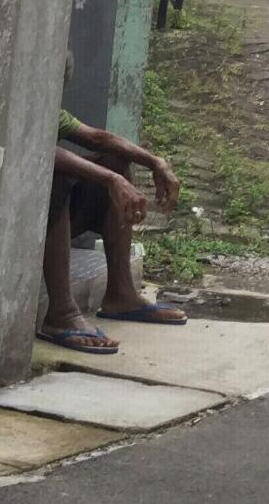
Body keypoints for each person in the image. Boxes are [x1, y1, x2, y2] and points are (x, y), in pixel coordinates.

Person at [41, 103, 187, 354]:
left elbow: (98, 139)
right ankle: (61, 313)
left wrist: (155, 162)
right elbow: (42, 150)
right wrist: (110, 179)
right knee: (56, 177)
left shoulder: (51, 107)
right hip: (11, 221)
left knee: (115, 161)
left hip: (45, 223)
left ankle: (121, 294)